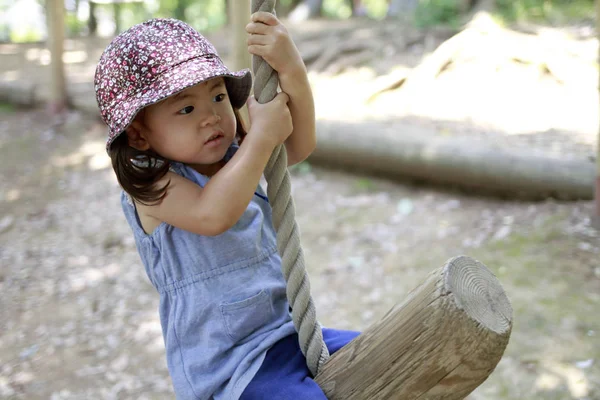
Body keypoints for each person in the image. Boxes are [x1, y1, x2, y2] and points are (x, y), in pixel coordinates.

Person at [94, 15, 359, 400]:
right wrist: (261, 138)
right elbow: (211, 214)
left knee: (382, 354)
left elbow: (297, 147)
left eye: (218, 97)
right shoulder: (150, 184)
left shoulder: (236, 154)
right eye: (186, 109)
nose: (212, 117)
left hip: (288, 334)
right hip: (230, 366)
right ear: (138, 133)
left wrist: (292, 70)